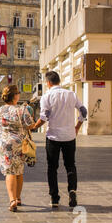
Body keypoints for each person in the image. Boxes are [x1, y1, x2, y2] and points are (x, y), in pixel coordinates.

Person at [32, 71, 87, 208]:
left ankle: (55, 198)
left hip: (53, 136)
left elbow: (44, 118)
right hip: (69, 136)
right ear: (59, 81)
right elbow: (83, 110)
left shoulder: (47, 96)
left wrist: (33, 127)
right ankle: (72, 190)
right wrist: (77, 126)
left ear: (48, 83)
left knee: (52, 167)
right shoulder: (71, 94)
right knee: (70, 165)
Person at [0, 85, 34, 212]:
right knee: (18, 170)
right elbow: (30, 125)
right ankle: (16, 198)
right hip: (19, 144)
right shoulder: (22, 110)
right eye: (18, 93)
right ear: (15, 96)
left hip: (5, 144)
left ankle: (12, 200)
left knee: (9, 170)